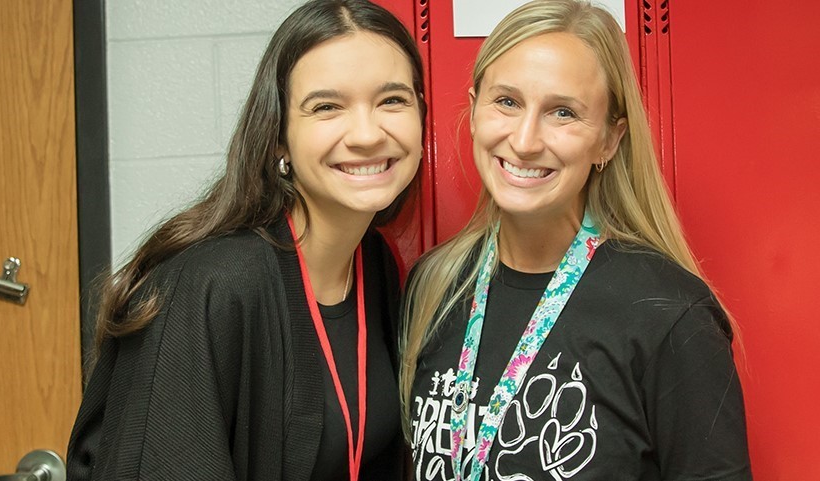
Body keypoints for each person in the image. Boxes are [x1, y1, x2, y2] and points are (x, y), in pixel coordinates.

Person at [66, 1, 426, 480]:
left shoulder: (373, 263)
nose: (366, 133)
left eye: (392, 101)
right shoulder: (211, 285)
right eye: (326, 107)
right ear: (279, 138)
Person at [400, 1, 751, 480]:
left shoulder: (669, 314)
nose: (524, 141)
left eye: (562, 112)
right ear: (475, 109)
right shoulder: (432, 287)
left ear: (609, 140)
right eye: (507, 102)